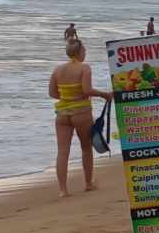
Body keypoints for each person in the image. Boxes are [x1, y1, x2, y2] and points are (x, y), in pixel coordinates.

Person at [48, 38, 113, 197]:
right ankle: (88, 183)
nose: (85, 54)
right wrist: (105, 95)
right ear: (80, 52)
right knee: (86, 148)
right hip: (81, 112)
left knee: (62, 151)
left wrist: (67, 97)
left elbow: (52, 93)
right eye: (84, 51)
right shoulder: (84, 68)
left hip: (62, 114)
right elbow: (87, 90)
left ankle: (63, 190)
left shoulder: (57, 70)